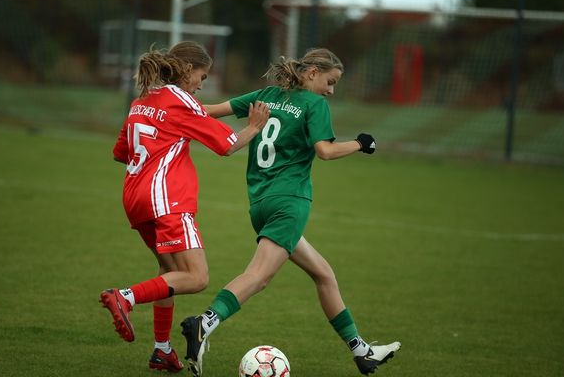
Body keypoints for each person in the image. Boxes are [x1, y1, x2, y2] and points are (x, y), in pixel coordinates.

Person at [181, 48, 400, 376]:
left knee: (323, 274)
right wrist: (360, 143)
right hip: (290, 203)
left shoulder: (268, 94)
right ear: (312, 72)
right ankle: (203, 324)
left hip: (259, 204)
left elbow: (208, 110)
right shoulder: (314, 105)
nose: (331, 90)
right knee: (258, 276)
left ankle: (361, 351)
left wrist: (169, 101)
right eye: (330, 81)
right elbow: (325, 151)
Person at [101, 41, 270, 373]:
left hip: (134, 199)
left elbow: (121, 152)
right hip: (167, 200)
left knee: (170, 273)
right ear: (189, 69)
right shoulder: (182, 101)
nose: (201, 84)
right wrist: (253, 126)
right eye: (202, 76)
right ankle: (125, 297)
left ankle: (162, 350)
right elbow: (227, 145)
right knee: (197, 277)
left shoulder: (143, 100)